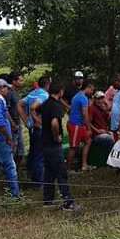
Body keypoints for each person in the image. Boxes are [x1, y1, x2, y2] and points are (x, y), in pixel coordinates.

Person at [39, 82, 78, 211]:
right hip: (53, 144)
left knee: (49, 173)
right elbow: (55, 123)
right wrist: (56, 136)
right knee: (61, 173)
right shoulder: (56, 106)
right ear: (60, 91)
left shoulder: (45, 104)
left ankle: (48, 200)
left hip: (44, 143)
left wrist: (38, 124)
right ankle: (68, 202)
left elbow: (34, 109)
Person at [19, 75, 51, 185]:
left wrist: (26, 121)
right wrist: (37, 120)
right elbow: (33, 107)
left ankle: (31, 177)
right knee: (39, 155)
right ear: (47, 84)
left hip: (32, 128)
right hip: (39, 128)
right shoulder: (44, 95)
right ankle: (39, 182)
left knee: (33, 152)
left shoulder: (33, 93)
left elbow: (19, 104)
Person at [67, 81, 94, 171]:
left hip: (80, 125)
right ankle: (68, 168)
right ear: (88, 87)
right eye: (92, 90)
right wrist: (89, 128)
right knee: (73, 147)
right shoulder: (83, 98)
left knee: (88, 141)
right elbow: (85, 114)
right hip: (75, 125)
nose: (92, 92)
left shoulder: (77, 95)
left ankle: (84, 164)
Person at [6, 71, 26, 167]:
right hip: (12, 125)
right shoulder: (9, 93)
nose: (22, 82)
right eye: (20, 80)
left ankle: (17, 170)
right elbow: (5, 110)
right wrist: (12, 123)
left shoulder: (16, 92)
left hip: (17, 124)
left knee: (20, 149)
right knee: (12, 149)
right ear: (14, 81)